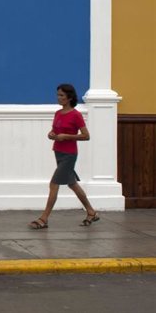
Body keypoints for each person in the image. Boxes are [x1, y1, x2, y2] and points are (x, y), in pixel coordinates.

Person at [29, 83, 99, 229]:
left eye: (61, 95)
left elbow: (86, 136)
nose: (58, 97)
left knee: (54, 184)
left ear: (69, 97)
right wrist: (51, 135)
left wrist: (66, 136)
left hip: (69, 154)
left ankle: (44, 218)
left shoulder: (76, 115)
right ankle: (91, 212)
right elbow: (54, 131)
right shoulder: (58, 113)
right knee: (72, 184)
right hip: (58, 152)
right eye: (58, 95)